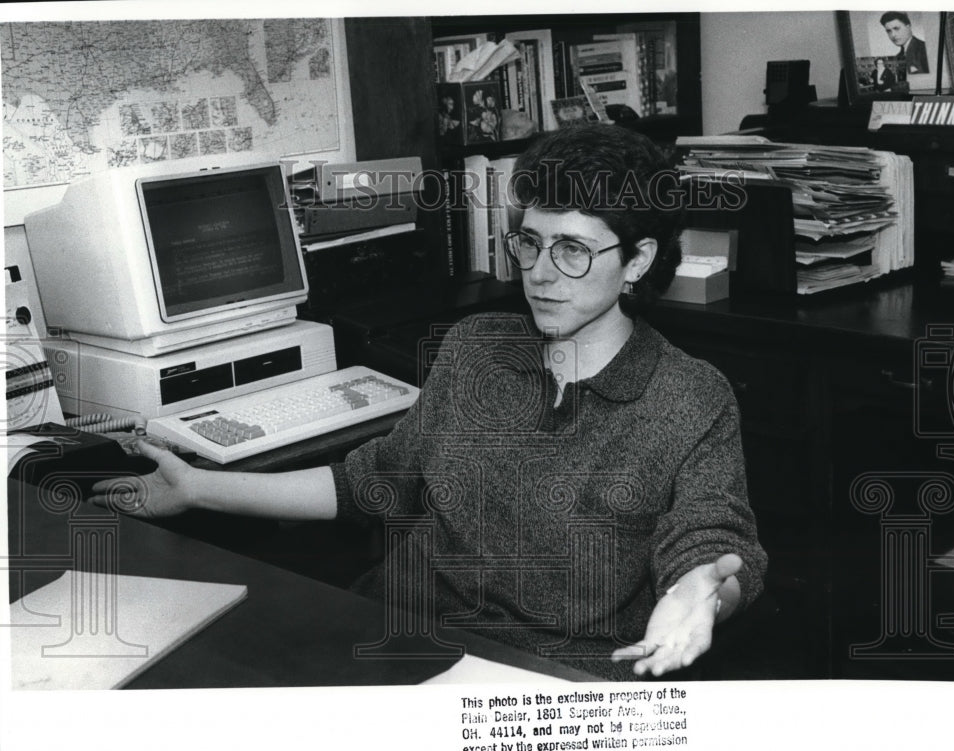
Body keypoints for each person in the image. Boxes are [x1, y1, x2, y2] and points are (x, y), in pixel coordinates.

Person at [92, 124, 767, 681]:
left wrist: (699, 589)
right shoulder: (477, 348)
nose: (539, 272)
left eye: (572, 250)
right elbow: (376, 481)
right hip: (397, 635)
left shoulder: (688, 396)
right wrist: (199, 489)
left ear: (640, 260)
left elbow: (711, 539)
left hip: (550, 679)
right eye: (529, 242)